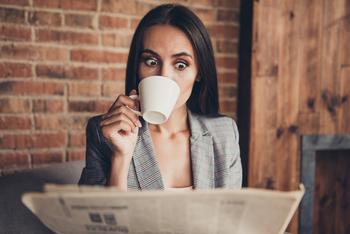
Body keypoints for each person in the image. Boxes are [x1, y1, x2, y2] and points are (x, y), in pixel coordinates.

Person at [78, 3, 242, 191]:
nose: (163, 76)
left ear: (199, 73)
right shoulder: (104, 133)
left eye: (181, 64)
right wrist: (121, 158)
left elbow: (231, 218)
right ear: (137, 67)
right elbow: (95, 219)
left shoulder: (225, 134)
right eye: (151, 61)